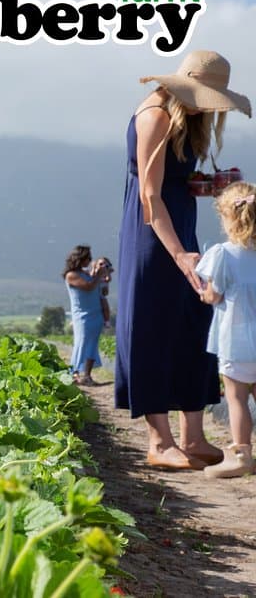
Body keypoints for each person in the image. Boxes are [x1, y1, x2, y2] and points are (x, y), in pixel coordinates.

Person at [115, 49, 251, 470]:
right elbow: (149, 196)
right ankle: (159, 442)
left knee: (195, 323)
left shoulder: (187, 118)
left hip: (181, 224)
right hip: (152, 232)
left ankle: (193, 438)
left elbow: (173, 181)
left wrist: (205, 184)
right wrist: (179, 255)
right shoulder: (155, 115)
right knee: (152, 326)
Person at [196, 181, 256, 478]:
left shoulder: (223, 254)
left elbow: (214, 295)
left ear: (228, 219)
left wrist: (203, 293)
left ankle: (242, 456)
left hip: (236, 341)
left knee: (236, 398)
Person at [63, 245, 110, 386]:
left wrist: (103, 276)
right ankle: (74, 373)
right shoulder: (71, 275)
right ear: (80, 258)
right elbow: (88, 287)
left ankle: (87, 375)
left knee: (92, 344)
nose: (90, 260)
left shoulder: (86, 274)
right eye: (87, 257)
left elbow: (101, 290)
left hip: (95, 313)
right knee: (81, 342)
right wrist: (98, 275)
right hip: (82, 315)